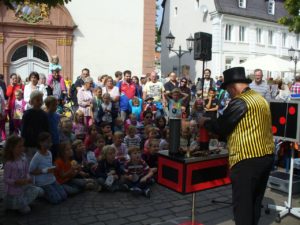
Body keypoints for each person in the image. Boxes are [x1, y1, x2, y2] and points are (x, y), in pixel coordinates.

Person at [201, 67, 274, 225]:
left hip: (246, 159)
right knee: (255, 203)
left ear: (233, 86)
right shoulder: (260, 99)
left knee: (242, 208)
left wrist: (205, 122)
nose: (228, 93)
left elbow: (222, 126)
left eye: (228, 89)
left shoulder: (241, 101)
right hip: (266, 155)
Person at [3, 136, 43, 214]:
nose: (22, 148)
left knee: (41, 191)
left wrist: (28, 178)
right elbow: (6, 179)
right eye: (19, 146)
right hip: (14, 191)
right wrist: (15, 182)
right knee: (26, 211)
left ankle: (24, 202)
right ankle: (14, 205)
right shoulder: (9, 163)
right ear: (12, 148)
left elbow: (26, 172)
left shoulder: (23, 158)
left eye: (23, 146)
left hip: (24, 187)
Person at [29, 132, 67, 204]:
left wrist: (54, 167)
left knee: (64, 196)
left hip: (51, 179)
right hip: (43, 183)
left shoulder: (49, 153)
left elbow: (48, 165)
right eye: (47, 142)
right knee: (57, 200)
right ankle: (42, 194)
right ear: (41, 143)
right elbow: (31, 171)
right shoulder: (37, 157)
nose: (50, 143)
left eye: (50, 141)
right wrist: (45, 171)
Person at [21, 90, 49, 160]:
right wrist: (24, 144)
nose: (40, 102)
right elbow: (24, 129)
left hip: (41, 143)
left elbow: (46, 129)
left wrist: (47, 141)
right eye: (37, 100)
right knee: (30, 162)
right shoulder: (27, 114)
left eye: (41, 100)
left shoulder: (44, 114)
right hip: (30, 143)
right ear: (32, 101)